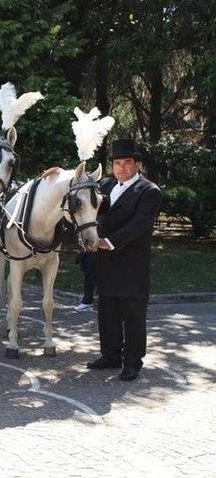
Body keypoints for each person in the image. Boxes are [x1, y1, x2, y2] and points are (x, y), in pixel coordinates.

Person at [87, 139, 162, 381]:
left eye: (127, 163)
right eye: (117, 163)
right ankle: (110, 355)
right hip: (106, 263)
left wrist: (109, 242)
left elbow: (140, 225)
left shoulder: (149, 191)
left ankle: (132, 363)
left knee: (133, 316)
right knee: (107, 312)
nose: (121, 168)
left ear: (138, 164)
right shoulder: (107, 185)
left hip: (131, 265)